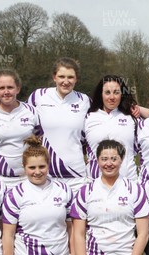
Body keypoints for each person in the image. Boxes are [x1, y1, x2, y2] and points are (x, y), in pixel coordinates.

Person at [70, 139, 149, 255]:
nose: (109, 163)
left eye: (114, 158)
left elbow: (143, 234)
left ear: (122, 160)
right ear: (96, 160)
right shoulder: (85, 192)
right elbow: (78, 234)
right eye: (104, 158)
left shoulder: (135, 190)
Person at [1, 136, 77, 255]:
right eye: (32, 168)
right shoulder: (15, 194)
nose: (37, 172)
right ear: (24, 167)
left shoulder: (63, 190)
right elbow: (8, 236)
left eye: (42, 167)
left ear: (49, 165)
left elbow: (71, 229)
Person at [28, 57, 90, 193]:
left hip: (76, 176)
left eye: (71, 77)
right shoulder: (38, 96)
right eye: (61, 76)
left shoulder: (85, 100)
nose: (66, 81)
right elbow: (20, 114)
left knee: (78, 215)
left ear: (76, 79)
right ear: (54, 77)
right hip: (45, 175)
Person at [0, 69, 39, 189]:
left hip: (27, 179)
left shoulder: (31, 112)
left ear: (18, 88)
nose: (6, 92)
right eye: (1, 88)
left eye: (10, 87)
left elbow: (40, 141)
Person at [84, 75, 138, 181]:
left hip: (128, 181)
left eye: (116, 92)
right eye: (107, 92)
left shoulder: (132, 118)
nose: (112, 97)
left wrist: (138, 108)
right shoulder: (88, 117)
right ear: (101, 94)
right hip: (96, 182)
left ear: (122, 94)